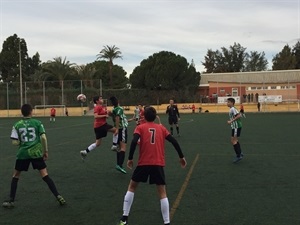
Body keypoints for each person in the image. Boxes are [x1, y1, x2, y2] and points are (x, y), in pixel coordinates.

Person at [118, 106, 187, 225]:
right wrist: (181, 157)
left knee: (132, 187)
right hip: (158, 164)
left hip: (143, 163)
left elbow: (134, 142)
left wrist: (130, 158)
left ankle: (124, 217)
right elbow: (174, 141)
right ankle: (167, 222)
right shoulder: (161, 128)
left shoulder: (140, 127)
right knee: (162, 192)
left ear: (143, 116)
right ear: (155, 117)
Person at [2, 104, 66, 208]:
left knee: (16, 176)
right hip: (36, 153)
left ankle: (11, 201)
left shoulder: (17, 125)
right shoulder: (37, 123)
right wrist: (45, 151)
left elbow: (14, 142)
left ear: (22, 112)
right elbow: (44, 138)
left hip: (23, 154)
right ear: (31, 111)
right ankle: (58, 196)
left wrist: (21, 143)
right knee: (45, 175)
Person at [110, 96, 129, 174]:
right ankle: (120, 165)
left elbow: (118, 118)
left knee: (118, 147)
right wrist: (117, 128)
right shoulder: (119, 108)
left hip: (120, 128)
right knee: (123, 147)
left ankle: (118, 164)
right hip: (122, 129)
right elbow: (118, 118)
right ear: (118, 102)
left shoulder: (114, 109)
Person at [227, 98, 244, 163]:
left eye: (228, 102)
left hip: (236, 127)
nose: (227, 103)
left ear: (232, 103)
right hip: (235, 127)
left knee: (234, 141)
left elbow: (239, 116)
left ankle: (238, 155)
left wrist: (231, 121)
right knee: (234, 140)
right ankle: (240, 153)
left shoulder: (232, 109)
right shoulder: (233, 109)